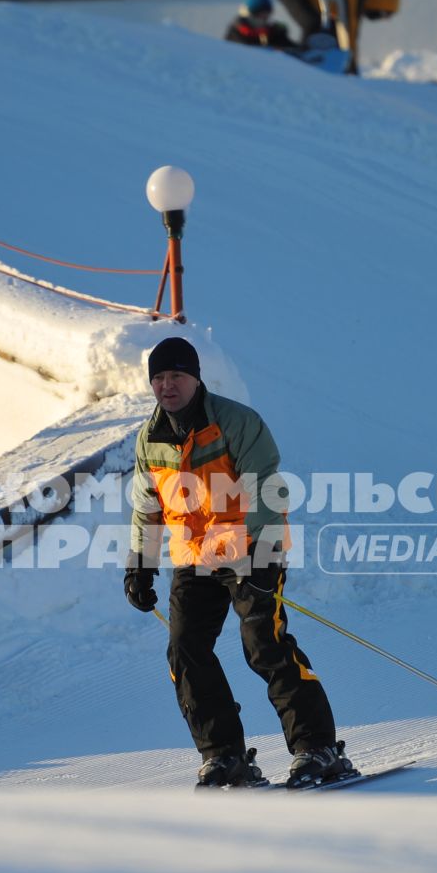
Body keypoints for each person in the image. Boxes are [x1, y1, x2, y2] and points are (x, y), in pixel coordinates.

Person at [123, 337, 352, 790]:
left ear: (195, 378)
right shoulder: (149, 439)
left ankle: (316, 748)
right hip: (193, 558)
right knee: (184, 650)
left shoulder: (236, 422)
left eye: (177, 376)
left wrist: (265, 557)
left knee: (262, 643)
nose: (167, 386)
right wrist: (140, 565)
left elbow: (267, 486)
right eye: (160, 378)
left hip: (250, 549)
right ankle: (224, 756)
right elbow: (146, 507)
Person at [274, 0, 401, 74]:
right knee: (312, 23)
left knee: (330, 29)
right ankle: (303, 60)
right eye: (386, 14)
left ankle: (320, 61)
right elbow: (349, 30)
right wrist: (352, 68)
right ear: (380, 4)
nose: (384, 19)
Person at [223, 0, 300, 51]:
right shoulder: (236, 34)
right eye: (261, 15)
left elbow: (292, 49)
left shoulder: (270, 32)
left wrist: (281, 34)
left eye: (267, 15)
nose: (265, 19)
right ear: (250, 15)